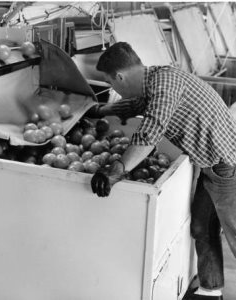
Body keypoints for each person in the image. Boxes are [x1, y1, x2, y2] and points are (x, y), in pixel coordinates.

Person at [90, 42, 236, 300]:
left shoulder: (164, 84)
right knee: (202, 227)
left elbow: (151, 131)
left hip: (226, 166)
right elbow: (139, 105)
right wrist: (102, 110)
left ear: (120, 77)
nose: (112, 89)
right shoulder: (156, 78)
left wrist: (116, 170)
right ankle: (210, 291)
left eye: (109, 82)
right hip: (212, 164)